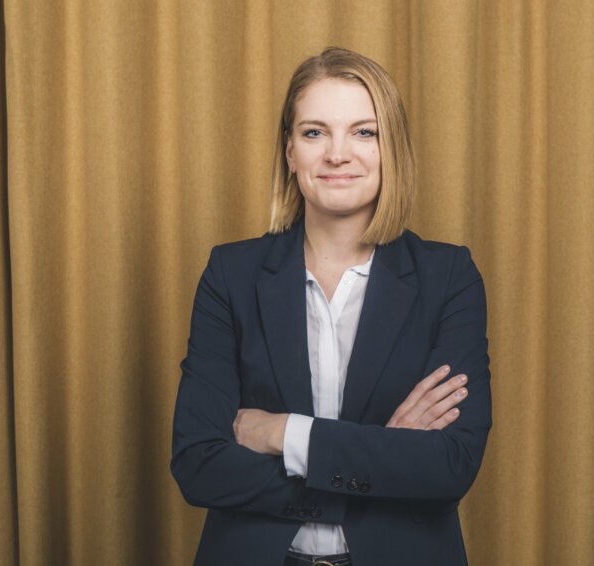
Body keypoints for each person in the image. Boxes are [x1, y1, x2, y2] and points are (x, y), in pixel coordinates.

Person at [171, 46, 491, 566]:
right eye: (314, 132)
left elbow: (450, 465)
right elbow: (199, 465)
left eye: (364, 132)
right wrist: (381, 453)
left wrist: (283, 433)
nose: (337, 153)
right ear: (290, 151)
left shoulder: (448, 278)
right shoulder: (230, 274)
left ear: (392, 149)